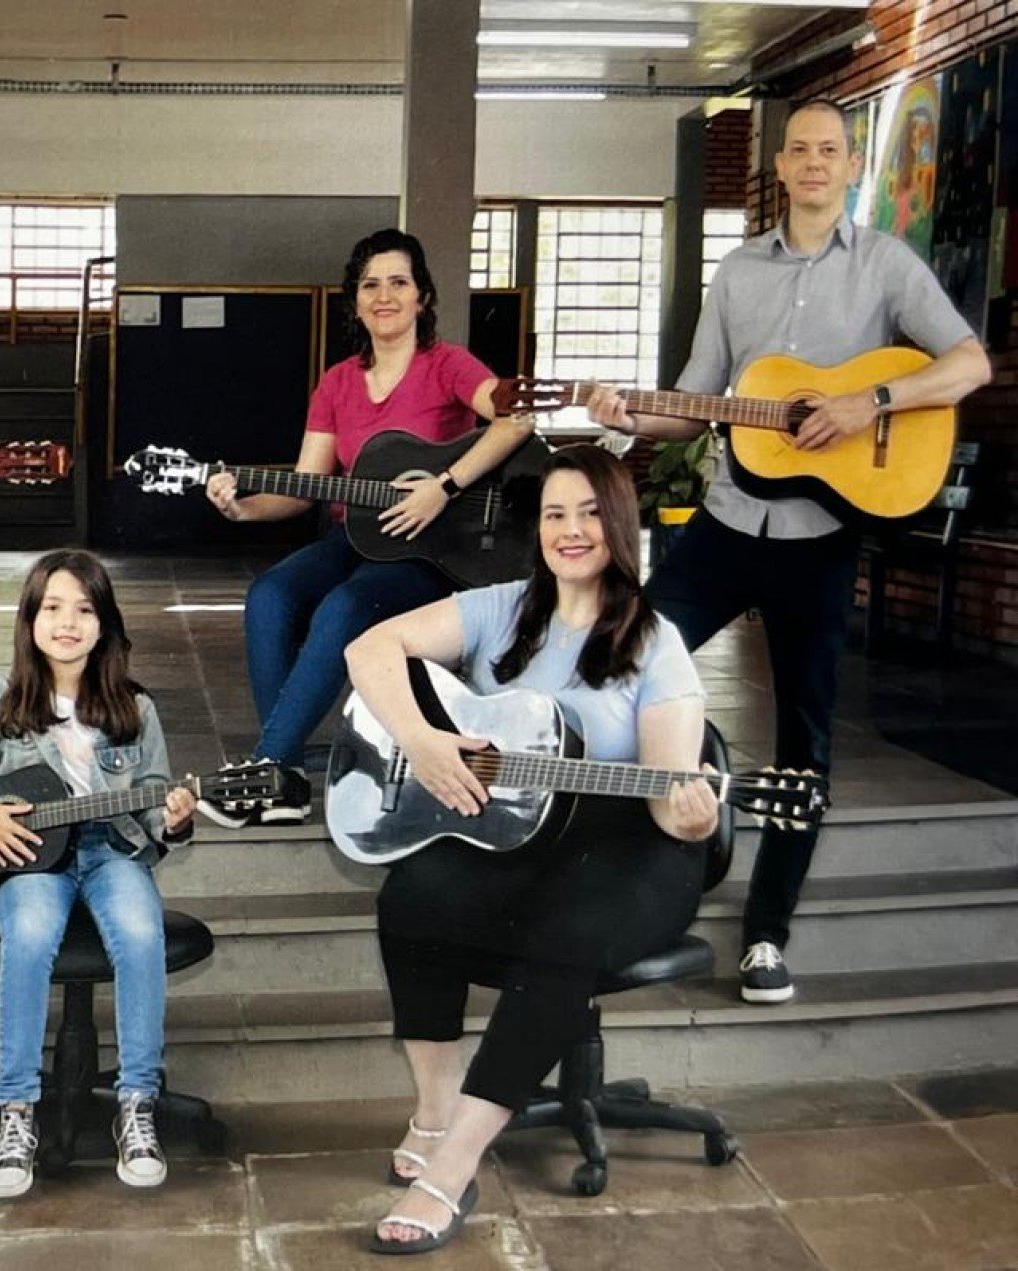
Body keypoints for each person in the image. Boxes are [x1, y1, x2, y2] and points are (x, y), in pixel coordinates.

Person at [587, 98, 991, 1004]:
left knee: (806, 737)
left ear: (852, 168)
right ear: (779, 166)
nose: (813, 162)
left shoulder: (887, 264)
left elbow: (969, 366)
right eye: (798, 149)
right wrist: (624, 415)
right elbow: (693, 397)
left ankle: (767, 933)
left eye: (830, 151)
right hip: (731, 521)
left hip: (822, 536)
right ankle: (627, 882)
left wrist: (867, 405)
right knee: (623, 662)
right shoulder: (737, 273)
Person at [341, 445, 720, 1254]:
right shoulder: (499, 607)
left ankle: (454, 1165)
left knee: (569, 930)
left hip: (636, 847)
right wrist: (424, 741)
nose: (571, 530)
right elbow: (367, 650)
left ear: (618, 524)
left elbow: (668, 796)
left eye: (589, 512)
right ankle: (436, 1109)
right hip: (526, 832)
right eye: (555, 514)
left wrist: (692, 814)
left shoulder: (657, 641)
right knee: (414, 894)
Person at [0, 549, 198, 1200]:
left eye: (84, 609)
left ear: (105, 623)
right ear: (29, 619)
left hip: (112, 850)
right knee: (27, 936)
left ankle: (138, 1104)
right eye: (53, 607)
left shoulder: (136, 709)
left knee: (141, 934)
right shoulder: (5, 700)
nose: (68, 622)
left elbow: (151, 795)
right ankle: (18, 1112)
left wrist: (173, 817)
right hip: (29, 855)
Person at [204, 228, 534, 826]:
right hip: (355, 538)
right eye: (370, 285)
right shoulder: (337, 382)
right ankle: (287, 770)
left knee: (343, 607)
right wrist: (243, 508)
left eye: (399, 283)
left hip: (435, 554)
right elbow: (306, 488)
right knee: (270, 594)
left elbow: (517, 420)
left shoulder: (448, 365)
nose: (385, 296)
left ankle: (271, 768)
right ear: (355, 302)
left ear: (422, 297)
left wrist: (444, 486)